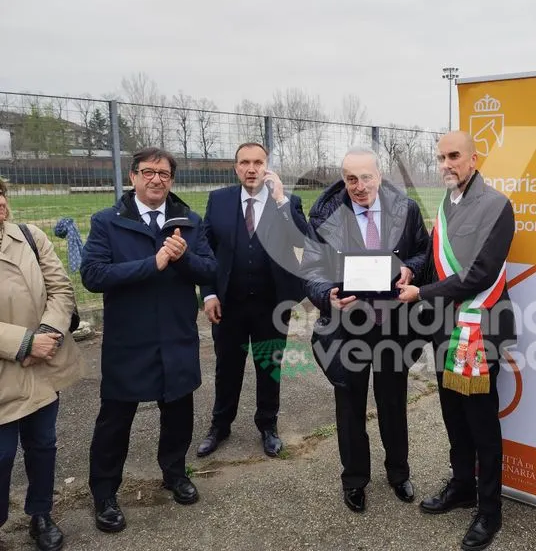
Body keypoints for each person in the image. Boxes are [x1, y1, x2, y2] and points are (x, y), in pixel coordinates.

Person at [80, 148, 216, 534]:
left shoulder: (188, 220)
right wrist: (152, 263)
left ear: (172, 180)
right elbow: (92, 275)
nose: (156, 179)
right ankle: (105, 494)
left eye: (164, 173)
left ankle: (174, 473)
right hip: (129, 340)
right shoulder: (108, 221)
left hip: (176, 336)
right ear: (133, 178)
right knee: (115, 420)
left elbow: (211, 268)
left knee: (178, 413)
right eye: (148, 172)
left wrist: (184, 257)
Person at [398, 131, 515, 551]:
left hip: (481, 328)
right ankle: (463, 485)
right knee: (453, 415)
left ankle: (490, 510)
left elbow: (481, 274)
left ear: (473, 158)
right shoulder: (449, 202)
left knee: (483, 424)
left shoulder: (497, 205)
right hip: (445, 329)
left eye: (453, 156)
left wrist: (421, 294)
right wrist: (413, 274)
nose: (445, 164)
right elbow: (439, 262)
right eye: (440, 157)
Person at [301, 147, 429, 513]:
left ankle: (398, 473)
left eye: (366, 177)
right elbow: (310, 269)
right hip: (348, 327)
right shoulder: (325, 216)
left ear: (380, 175)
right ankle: (355, 480)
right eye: (351, 179)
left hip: (395, 325)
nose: (359, 186)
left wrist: (411, 269)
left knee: (393, 403)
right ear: (343, 180)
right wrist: (327, 295)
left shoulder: (406, 210)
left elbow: (423, 251)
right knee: (349, 407)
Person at [196, 142, 308, 458]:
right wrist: (209, 293)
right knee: (227, 367)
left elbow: (305, 241)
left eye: (258, 162)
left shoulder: (286, 201)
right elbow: (205, 250)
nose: (251, 169)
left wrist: (282, 200)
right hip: (228, 304)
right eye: (244, 162)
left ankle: (267, 426)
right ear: (236, 168)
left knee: (268, 365)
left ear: (267, 166)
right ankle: (220, 425)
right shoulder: (219, 201)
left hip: (271, 304)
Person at [0, 179, 82, 551]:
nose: (0, 202)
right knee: (1, 455)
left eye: (0, 193)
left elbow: (61, 289)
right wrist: (23, 343)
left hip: (41, 366)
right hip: (7, 368)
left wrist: (46, 335)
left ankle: (41, 514)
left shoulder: (29, 237)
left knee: (43, 445)